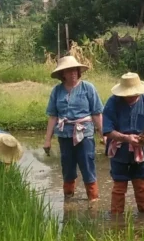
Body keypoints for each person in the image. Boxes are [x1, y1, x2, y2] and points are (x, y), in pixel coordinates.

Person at [43, 55, 103, 200]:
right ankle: (68, 198)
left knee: (87, 166)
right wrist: (47, 140)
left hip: (85, 134)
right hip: (64, 135)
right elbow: (53, 117)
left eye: (75, 70)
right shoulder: (57, 91)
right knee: (67, 168)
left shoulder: (88, 88)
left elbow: (96, 113)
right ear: (62, 74)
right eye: (69, 71)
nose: (73, 73)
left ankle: (93, 200)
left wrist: (103, 134)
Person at [102, 72, 144, 215]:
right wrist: (127, 138)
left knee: (141, 185)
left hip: (141, 149)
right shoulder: (113, 102)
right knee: (119, 186)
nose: (130, 96)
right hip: (119, 151)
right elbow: (107, 131)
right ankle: (116, 219)